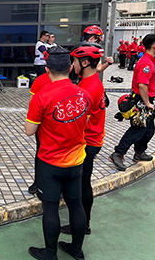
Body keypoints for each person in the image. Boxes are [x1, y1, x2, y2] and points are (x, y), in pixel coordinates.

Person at [25, 46, 91, 260]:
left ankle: (50, 254)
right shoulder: (84, 94)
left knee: (51, 208)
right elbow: (86, 123)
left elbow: (29, 131)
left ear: (47, 69)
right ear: (71, 68)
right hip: (76, 161)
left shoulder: (42, 96)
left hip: (50, 162)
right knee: (75, 204)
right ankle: (77, 250)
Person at [60, 43, 105, 237]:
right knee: (83, 184)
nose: (73, 65)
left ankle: (81, 225)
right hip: (94, 139)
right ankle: (83, 223)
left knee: (79, 187)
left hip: (87, 142)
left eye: (75, 61)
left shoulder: (88, 89)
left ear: (85, 62)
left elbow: (78, 122)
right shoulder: (93, 81)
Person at [110, 34, 155, 171]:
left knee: (149, 129)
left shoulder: (149, 60)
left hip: (146, 100)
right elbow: (142, 85)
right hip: (142, 101)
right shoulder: (146, 63)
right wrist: (147, 103)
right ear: (154, 46)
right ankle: (118, 153)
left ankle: (139, 152)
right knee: (138, 130)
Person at [27, 70, 52, 195]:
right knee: (41, 154)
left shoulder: (68, 84)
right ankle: (38, 182)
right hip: (43, 127)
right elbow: (33, 103)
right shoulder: (40, 80)